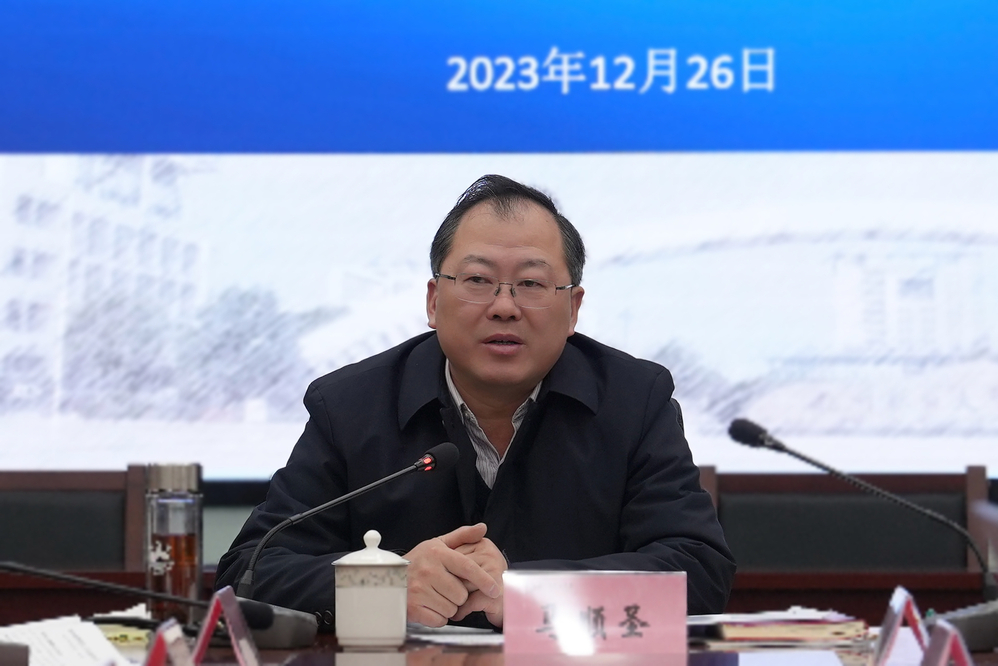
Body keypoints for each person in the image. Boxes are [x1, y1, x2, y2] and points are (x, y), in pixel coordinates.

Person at [215, 174, 736, 630]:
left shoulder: (633, 399)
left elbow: (698, 569)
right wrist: (384, 584)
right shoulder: (350, 405)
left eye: (531, 283)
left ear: (573, 308)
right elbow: (251, 571)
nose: (504, 307)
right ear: (433, 301)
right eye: (478, 281)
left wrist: (527, 593)